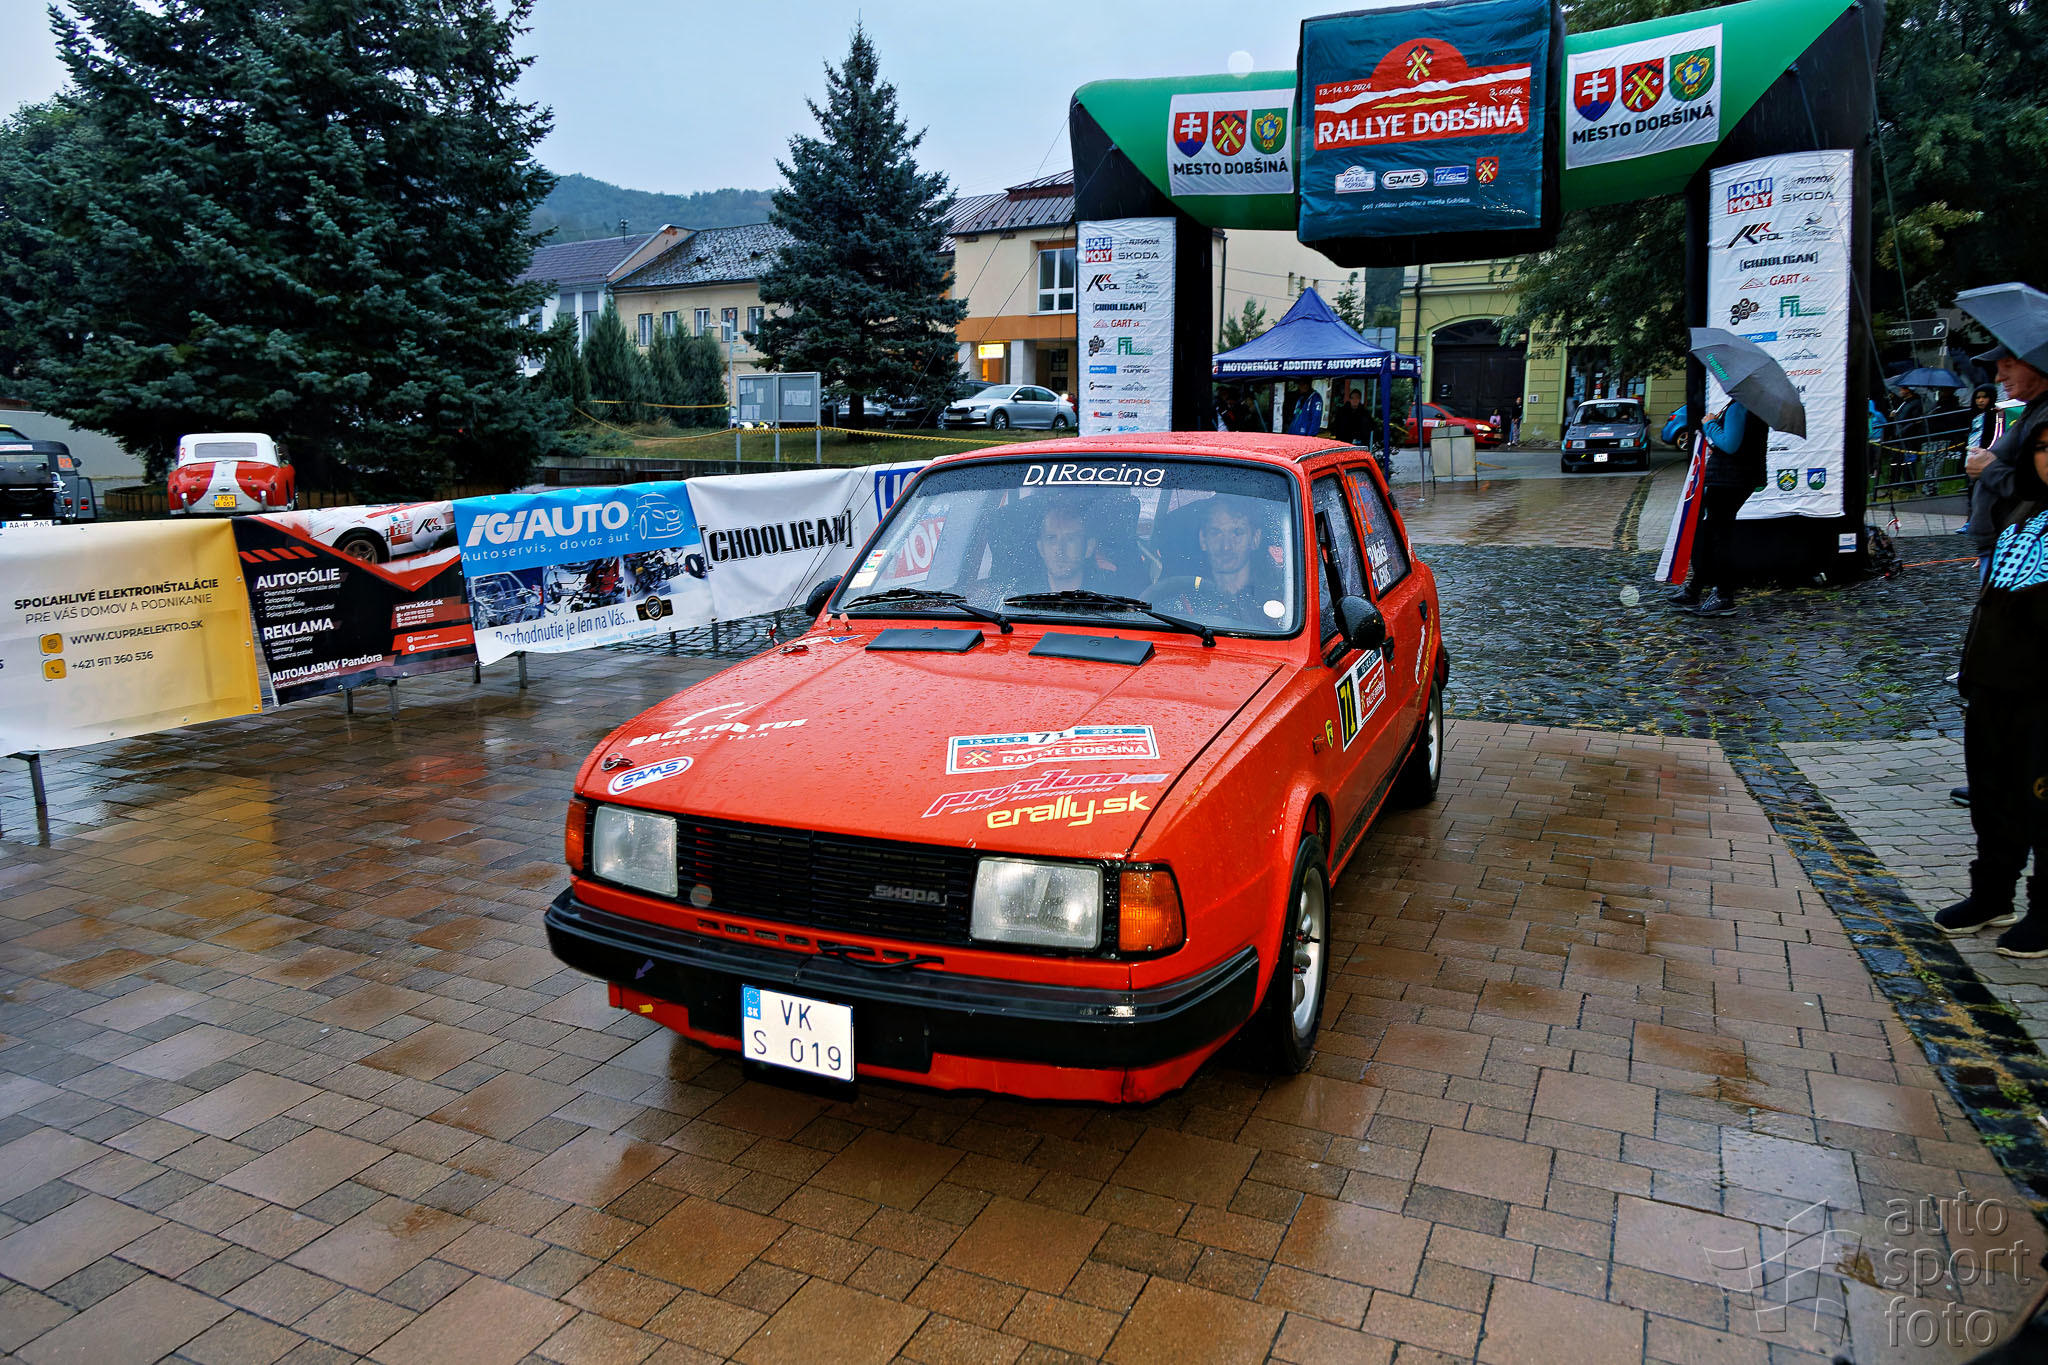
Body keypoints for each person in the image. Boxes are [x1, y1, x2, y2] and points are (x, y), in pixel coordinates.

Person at [1935, 418, 2048, 956]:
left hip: (2042, 689)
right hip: (1994, 679)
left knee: (2041, 800)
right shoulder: (2024, 507)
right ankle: (1992, 894)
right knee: (1993, 795)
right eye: (2042, 447)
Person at [1669, 398, 1769, 617]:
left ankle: (1723, 596)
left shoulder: (1739, 406)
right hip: (1737, 478)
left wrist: (1710, 424)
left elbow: (1730, 444)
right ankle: (1696, 589)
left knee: (1719, 538)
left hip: (1728, 480)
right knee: (1712, 536)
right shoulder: (1754, 406)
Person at [1183, 497, 1285, 624]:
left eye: (1237, 532)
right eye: (1216, 532)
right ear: (1203, 539)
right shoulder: (1182, 603)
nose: (1226, 546)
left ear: (1255, 539)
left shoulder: (1279, 609)